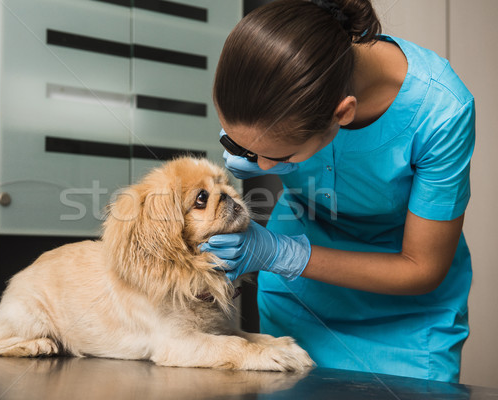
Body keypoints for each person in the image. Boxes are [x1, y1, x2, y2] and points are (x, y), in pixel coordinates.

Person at [200, 0, 475, 383]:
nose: (260, 168)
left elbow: (422, 268)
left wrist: (280, 252)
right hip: (297, 301)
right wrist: (253, 148)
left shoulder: (441, 112)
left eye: (277, 156)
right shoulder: (281, 70)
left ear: (342, 115)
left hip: (405, 314)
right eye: (246, 149)